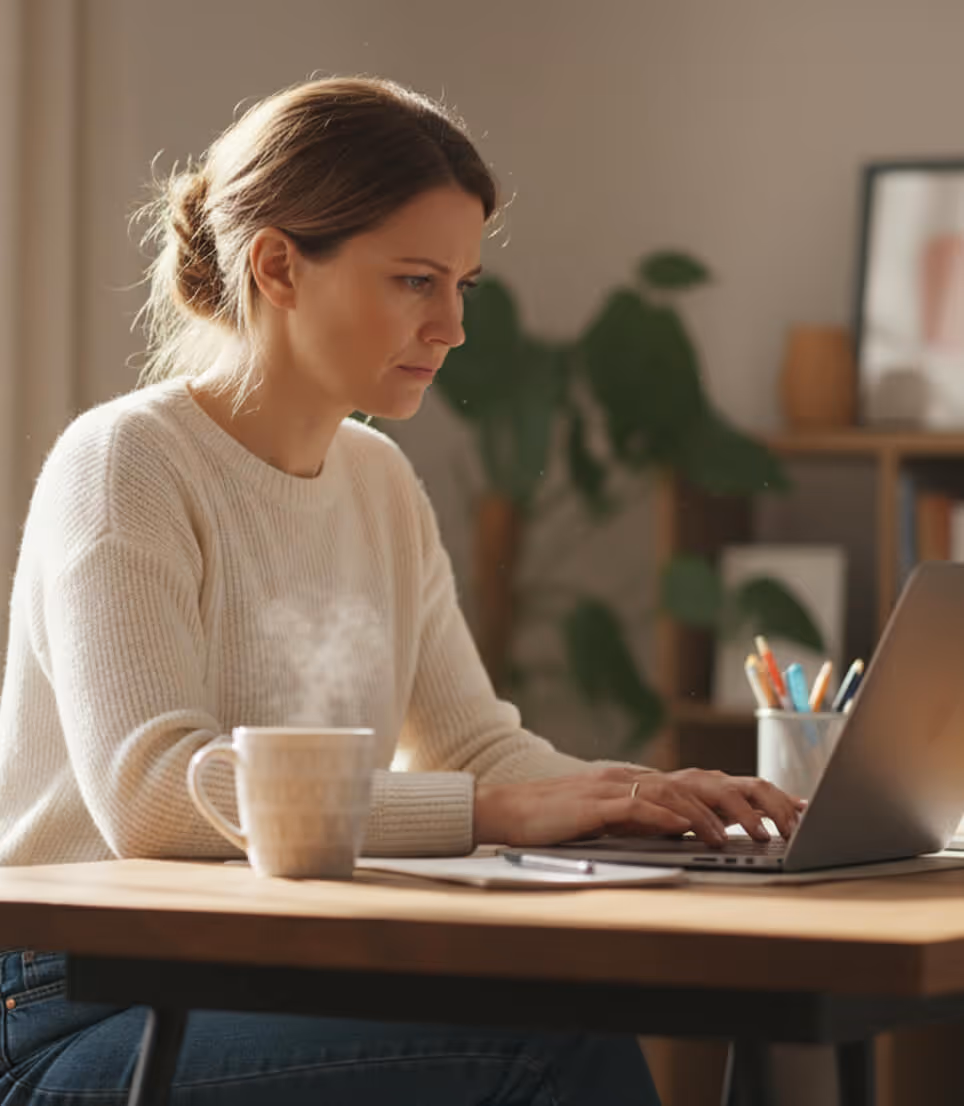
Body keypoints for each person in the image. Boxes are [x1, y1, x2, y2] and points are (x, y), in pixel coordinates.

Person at [0, 76, 803, 1105]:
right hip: (81, 1009)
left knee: (584, 1017)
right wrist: (495, 807)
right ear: (278, 266)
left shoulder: (380, 482)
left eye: (462, 284)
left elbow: (470, 746)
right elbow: (151, 797)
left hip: (274, 974)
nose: (453, 327)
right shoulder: (126, 464)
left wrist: (638, 798)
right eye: (416, 280)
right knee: (543, 1050)